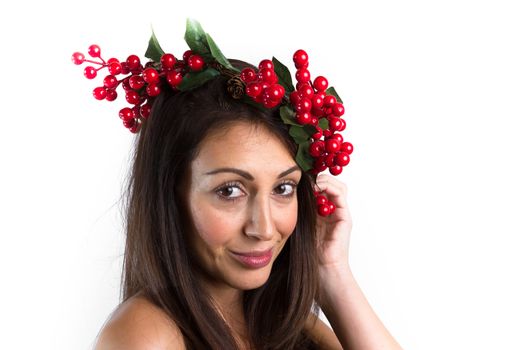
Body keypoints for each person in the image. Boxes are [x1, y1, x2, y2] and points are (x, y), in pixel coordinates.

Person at [74, 20, 403, 350]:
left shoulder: (285, 321)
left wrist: (332, 272)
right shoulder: (146, 335)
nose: (263, 228)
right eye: (229, 190)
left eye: (283, 188)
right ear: (172, 195)